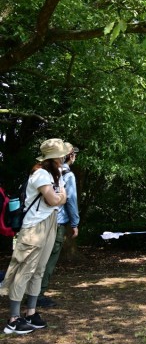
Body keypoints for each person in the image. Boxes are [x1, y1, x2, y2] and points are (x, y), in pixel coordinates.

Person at [1, 138, 69, 334]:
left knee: (39, 270)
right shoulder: (40, 174)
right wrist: (58, 198)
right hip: (34, 227)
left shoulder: (56, 176)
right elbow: (54, 199)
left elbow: (60, 199)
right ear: (54, 158)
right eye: (61, 155)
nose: (64, 158)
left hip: (50, 223)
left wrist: (58, 198)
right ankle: (14, 319)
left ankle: (31, 313)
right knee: (24, 270)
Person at [37, 143, 80, 308]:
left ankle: (27, 292)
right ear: (70, 156)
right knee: (49, 260)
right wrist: (75, 223)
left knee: (36, 258)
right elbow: (71, 200)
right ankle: (38, 295)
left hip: (38, 222)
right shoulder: (67, 175)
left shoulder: (41, 171)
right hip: (56, 223)